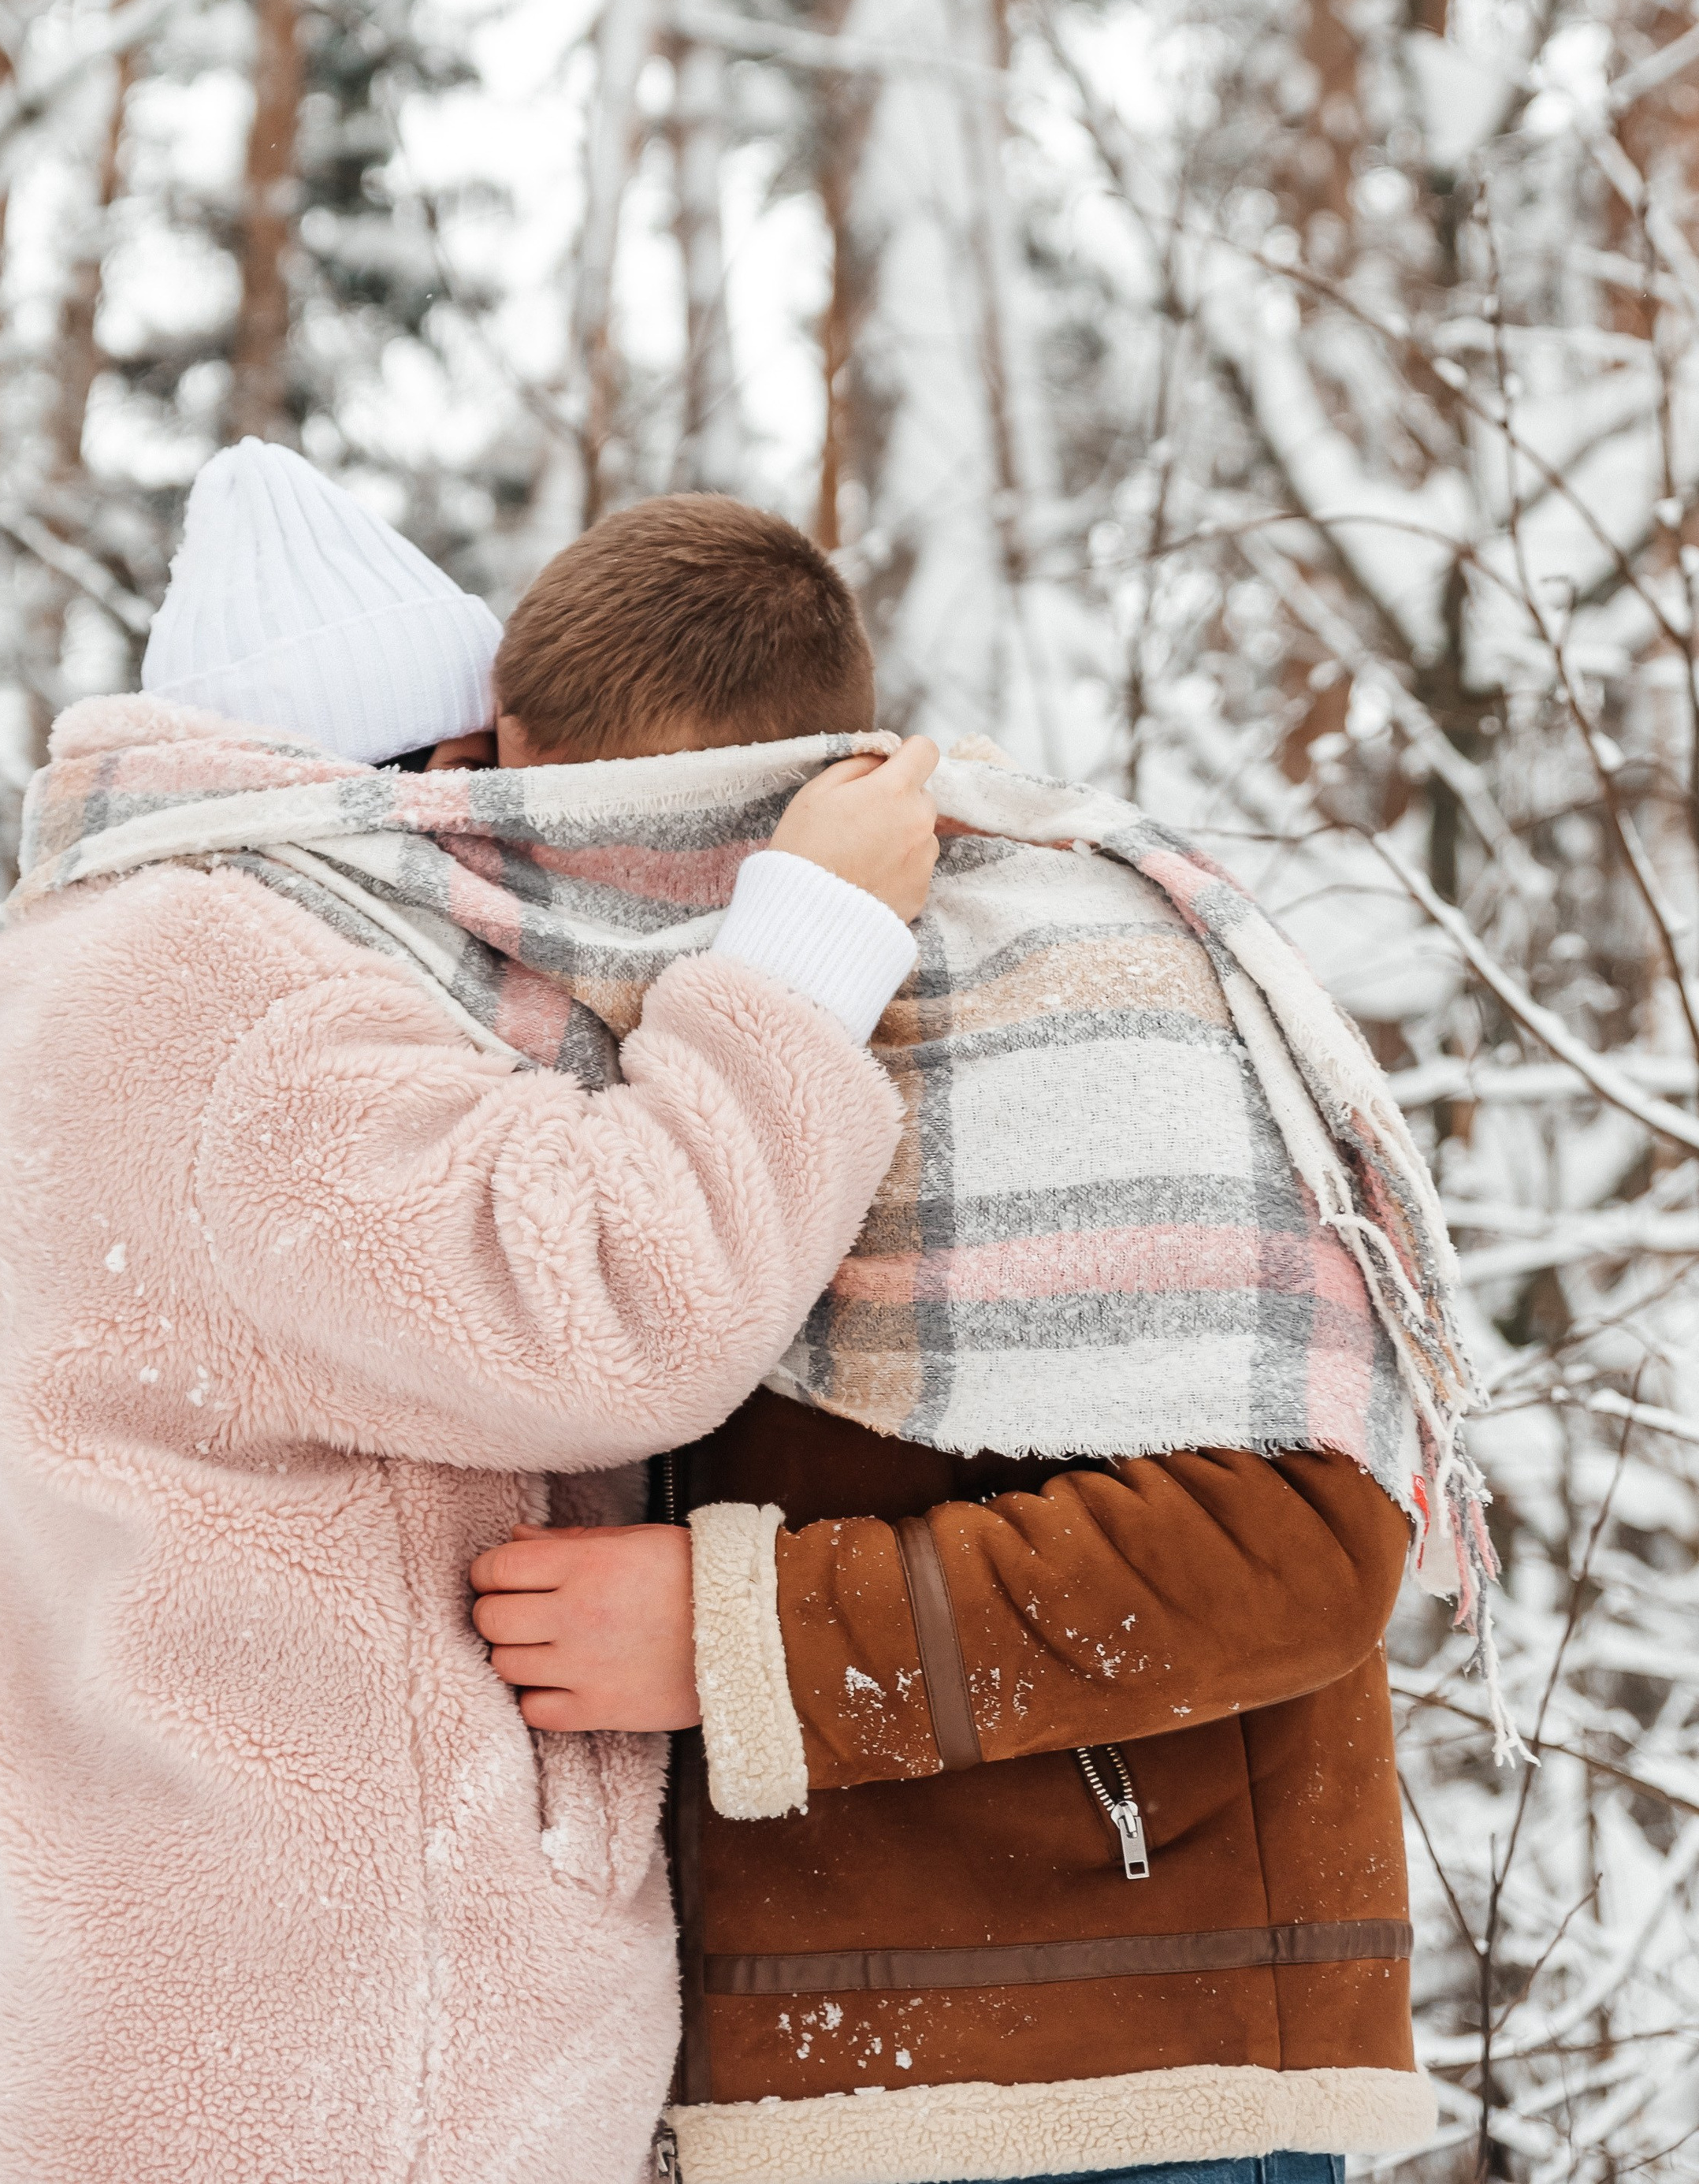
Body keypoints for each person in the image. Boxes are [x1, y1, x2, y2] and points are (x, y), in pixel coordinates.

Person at [0, 445, 935, 2183]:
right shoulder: (237, 994)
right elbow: (617, 1304)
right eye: (495, 793)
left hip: (256, 2019)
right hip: (346, 2059)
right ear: (409, 774)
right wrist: (808, 945)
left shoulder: (144, 975)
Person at [469, 536, 1467, 2184]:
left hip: (1126, 2085)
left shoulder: (1081, 991)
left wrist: (747, 1640)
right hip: (767, 2096)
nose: (554, 893)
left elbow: (1302, 1544)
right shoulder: (650, 1025)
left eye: (599, 842)